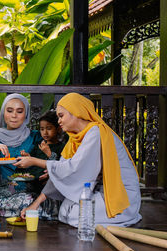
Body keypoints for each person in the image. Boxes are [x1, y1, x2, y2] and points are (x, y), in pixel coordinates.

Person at [17, 93, 142, 227]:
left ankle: (127, 214)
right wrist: (35, 205)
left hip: (121, 196)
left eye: (61, 116)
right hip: (99, 191)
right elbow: (61, 171)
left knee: (76, 214)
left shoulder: (96, 133)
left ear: (76, 112)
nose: (58, 121)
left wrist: (34, 161)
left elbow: (73, 169)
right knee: (65, 211)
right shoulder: (75, 139)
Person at [0, 94, 43, 217]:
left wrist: (32, 159)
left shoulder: (35, 136)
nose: (14, 115)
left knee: (32, 201)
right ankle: (27, 212)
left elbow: (45, 159)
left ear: (26, 114)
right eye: (9, 111)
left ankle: (22, 210)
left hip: (31, 190)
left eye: (19, 111)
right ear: (3, 113)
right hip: (4, 190)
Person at [28, 110, 65, 194]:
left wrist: (49, 153)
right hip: (33, 181)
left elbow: (60, 166)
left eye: (49, 128)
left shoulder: (62, 147)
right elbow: (32, 160)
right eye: (42, 129)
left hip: (50, 183)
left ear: (58, 129)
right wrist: (27, 156)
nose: (45, 132)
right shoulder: (39, 145)